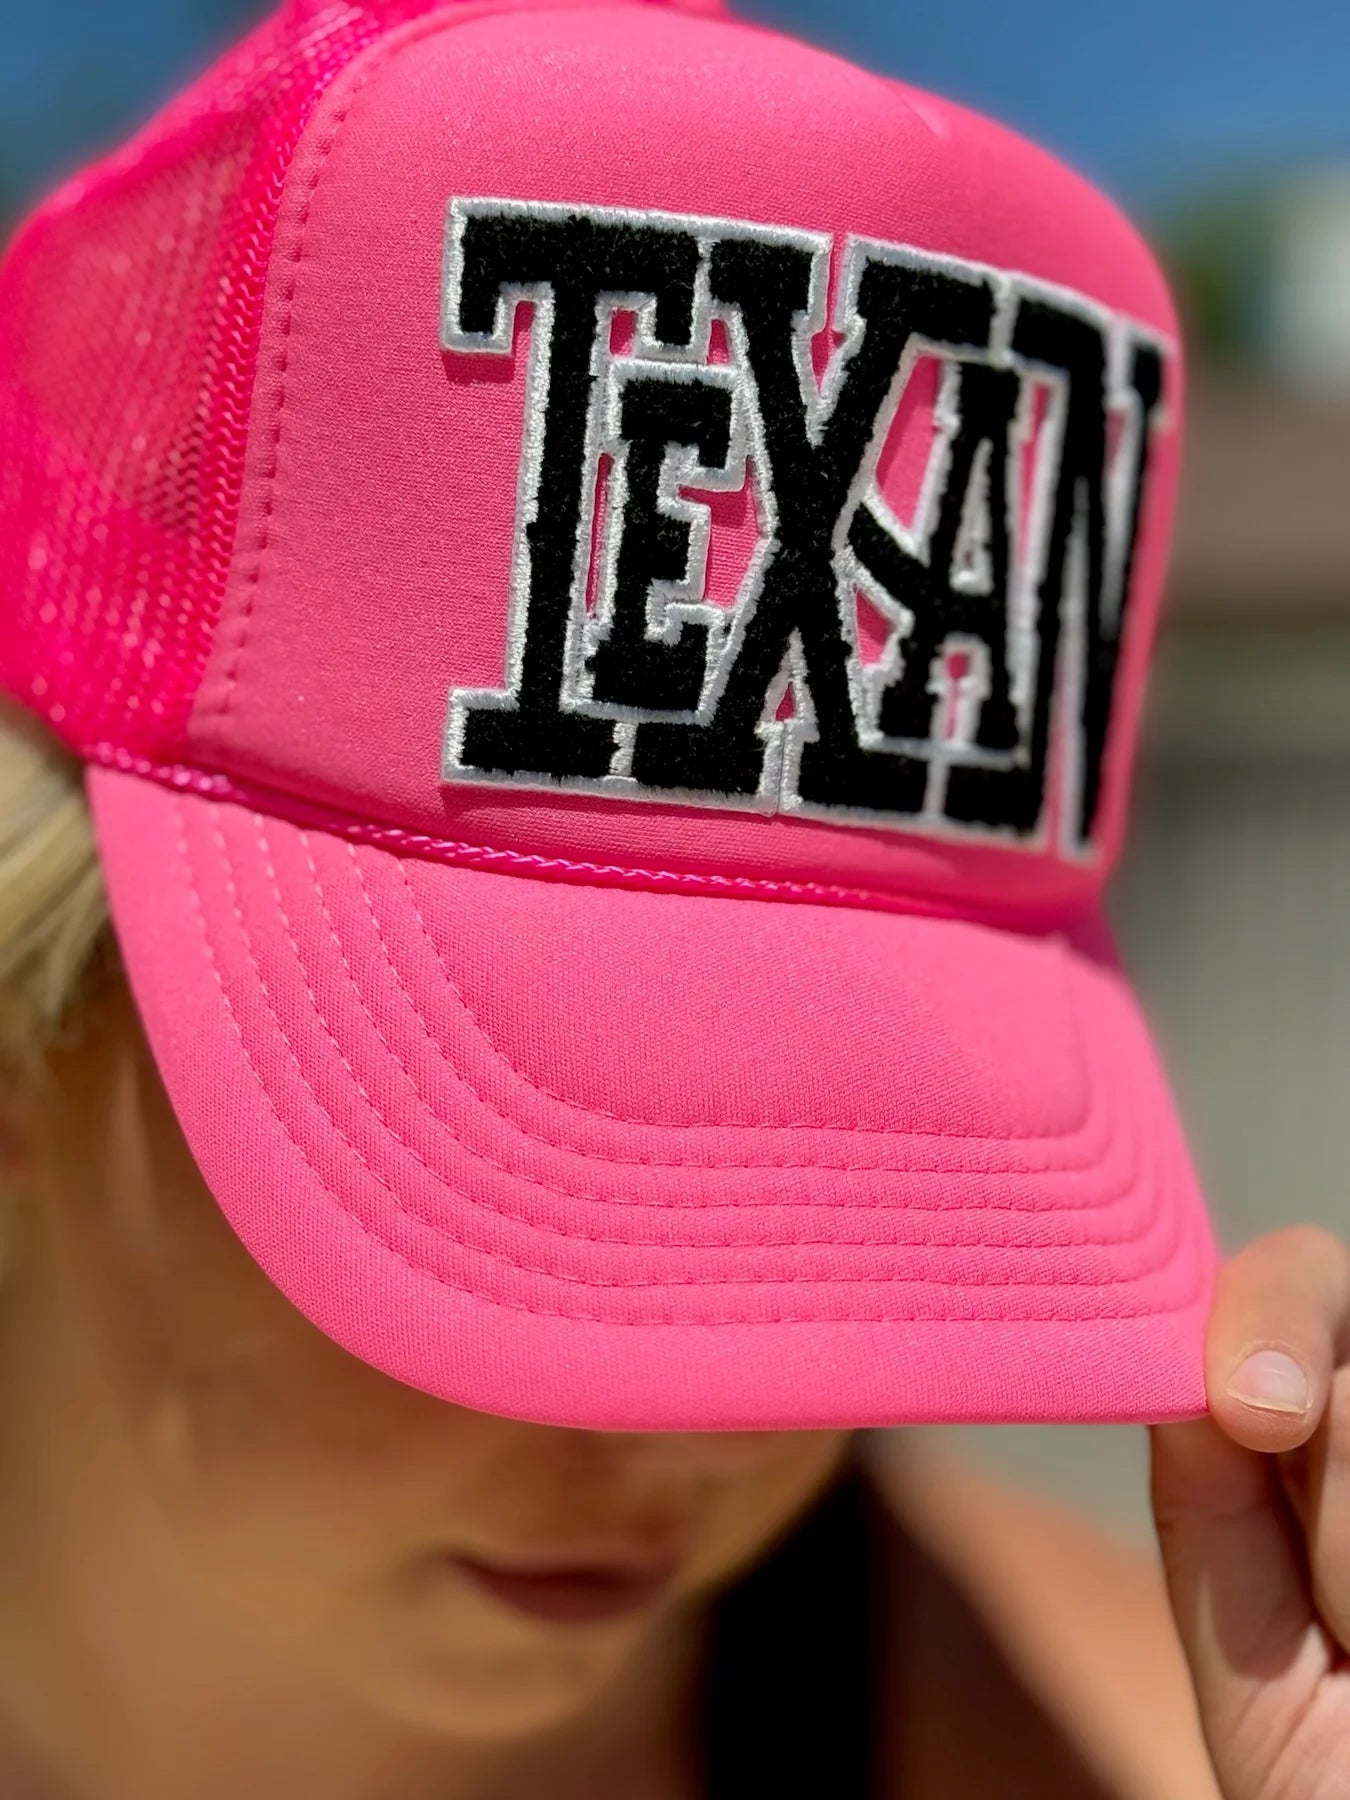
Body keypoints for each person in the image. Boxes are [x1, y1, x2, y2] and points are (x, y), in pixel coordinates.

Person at [0, 2, 1346, 1796]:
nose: (706, 1432)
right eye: (530, 1210)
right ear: (29, 1029)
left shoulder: (1138, 1748)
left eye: (837, 1199)